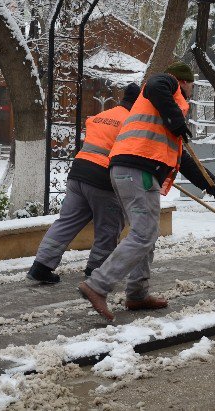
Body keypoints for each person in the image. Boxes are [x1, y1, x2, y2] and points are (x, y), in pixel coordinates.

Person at [77, 61, 215, 321]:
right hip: (137, 170)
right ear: (185, 81)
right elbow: (155, 83)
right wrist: (176, 119)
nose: (189, 92)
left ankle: (137, 293)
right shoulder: (166, 85)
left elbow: (184, 160)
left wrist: (208, 183)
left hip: (128, 168)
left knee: (147, 232)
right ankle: (97, 284)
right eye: (190, 85)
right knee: (145, 233)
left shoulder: (160, 111)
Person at [26, 83, 141, 283]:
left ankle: (40, 269)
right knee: (108, 227)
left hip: (78, 174)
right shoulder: (132, 121)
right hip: (102, 179)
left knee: (66, 222)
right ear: (139, 103)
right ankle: (95, 274)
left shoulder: (105, 115)